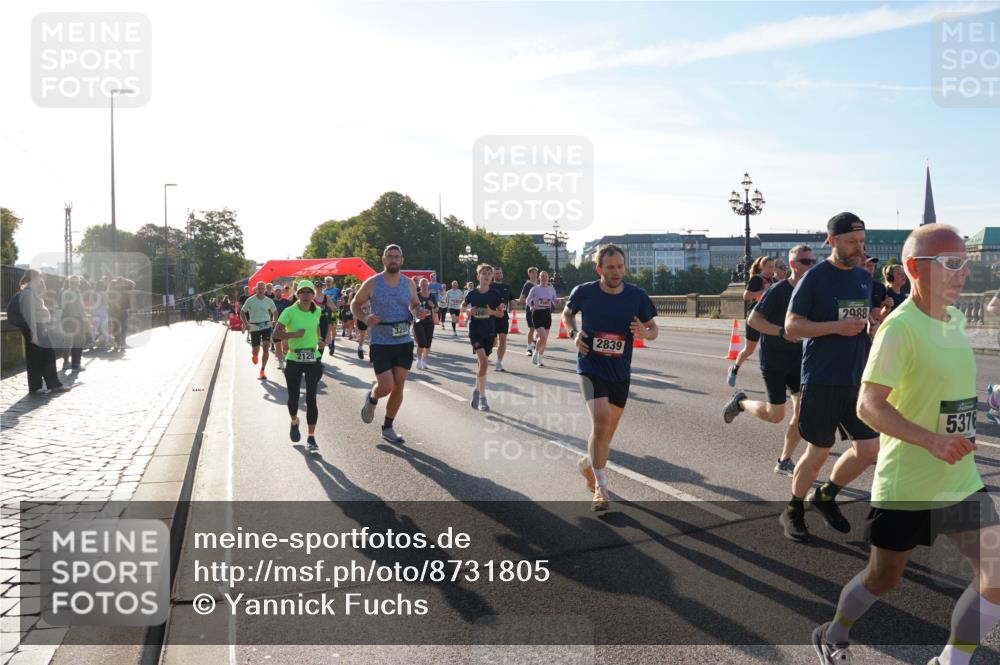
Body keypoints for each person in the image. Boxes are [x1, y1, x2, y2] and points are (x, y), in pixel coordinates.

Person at [811, 224, 1000, 665]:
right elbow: (868, 405)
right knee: (882, 579)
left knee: (996, 573)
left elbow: (945, 390)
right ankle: (833, 633)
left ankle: (951, 659)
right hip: (908, 484)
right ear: (915, 269)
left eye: (965, 263)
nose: (963, 274)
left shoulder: (952, 318)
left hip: (959, 479)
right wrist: (931, 439)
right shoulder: (900, 329)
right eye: (952, 264)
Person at [779, 212, 880, 543]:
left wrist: (873, 325)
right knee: (818, 452)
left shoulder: (862, 279)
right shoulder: (815, 278)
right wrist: (835, 327)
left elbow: (860, 322)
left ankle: (825, 495)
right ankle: (793, 509)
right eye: (852, 242)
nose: (859, 248)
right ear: (831, 241)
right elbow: (792, 327)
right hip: (821, 378)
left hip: (856, 379)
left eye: (862, 242)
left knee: (869, 450)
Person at [562, 245, 657, 511]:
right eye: (610, 267)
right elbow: (567, 314)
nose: (616, 272)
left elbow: (653, 329)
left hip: (620, 370)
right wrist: (573, 334)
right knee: (601, 423)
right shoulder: (584, 292)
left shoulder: (636, 296)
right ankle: (601, 490)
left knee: (607, 431)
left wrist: (644, 332)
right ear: (599, 269)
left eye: (620, 266)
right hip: (590, 365)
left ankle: (587, 463)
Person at [723, 245, 815, 475]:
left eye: (813, 261)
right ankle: (740, 402)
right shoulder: (777, 290)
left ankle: (784, 460)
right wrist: (782, 332)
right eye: (806, 262)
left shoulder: (814, 291)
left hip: (800, 359)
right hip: (774, 359)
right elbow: (753, 320)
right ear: (794, 265)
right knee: (776, 416)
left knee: (802, 411)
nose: (811, 266)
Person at [352, 244, 430, 444]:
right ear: (383, 260)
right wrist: (365, 317)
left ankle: (388, 427)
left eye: (397, 256)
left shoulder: (408, 284)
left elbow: (414, 304)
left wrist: (418, 311)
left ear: (402, 260)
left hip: (404, 339)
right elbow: (355, 303)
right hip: (380, 340)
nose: (394, 259)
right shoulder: (373, 283)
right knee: (386, 386)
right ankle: (372, 397)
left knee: (399, 384)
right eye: (390, 256)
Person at [273, 281, 324, 453]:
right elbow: (276, 334)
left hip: (312, 359)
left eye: (309, 292)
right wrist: (294, 335)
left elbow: (316, 328)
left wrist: (320, 341)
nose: (306, 295)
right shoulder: (289, 312)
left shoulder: (317, 310)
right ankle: (294, 421)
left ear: (312, 295)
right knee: (293, 398)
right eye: (302, 292)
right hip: (294, 358)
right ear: (297, 294)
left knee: (311, 398)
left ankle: (311, 437)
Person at [9, 270, 67, 395]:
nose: (41, 279)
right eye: (39, 277)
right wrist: (34, 333)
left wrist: (43, 285)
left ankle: (42, 386)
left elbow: (42, 294)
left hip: (39, 328)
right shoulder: (28, 294)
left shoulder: (32, 292)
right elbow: (30, 316)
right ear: (34, 277)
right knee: (42, 356)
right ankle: (44, 386)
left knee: (42, 356)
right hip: (35, 328)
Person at [727, 256, 775, 387]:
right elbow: (746, 296)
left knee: (771, 348)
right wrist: (763, 290)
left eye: (773, 267)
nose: (772, 269)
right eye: (769, 267)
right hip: (754, 317)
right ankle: (734, 369)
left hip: (768, 317)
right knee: (749, 350)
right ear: (762, 267)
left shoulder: (773, 280)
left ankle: (772, 378)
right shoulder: (756, 279)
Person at [464, 264, 505, 411]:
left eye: (489, 273)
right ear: (478, 277)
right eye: (484, 273)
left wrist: (491, 312)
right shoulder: (472, 294)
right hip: (475, 331)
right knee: (484, 363)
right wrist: (469, 311)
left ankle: (476, 389)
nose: (487, 275)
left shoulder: (495, 295)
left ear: (492, 277)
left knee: (482, 364)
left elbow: (501, 314)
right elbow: (463, 308)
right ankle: (483, 398)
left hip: (489, 332)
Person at [240, 281, 277, 380]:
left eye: (262, 288)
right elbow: (242, 312)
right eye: (259, 288)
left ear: (265, 290)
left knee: (266, 347)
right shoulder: (250, 300)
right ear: (256, 289)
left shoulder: (269, 300)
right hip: (254, 327)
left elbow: (275, 311)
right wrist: (246, 324)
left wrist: (274, 321)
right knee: (256, 350)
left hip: (266, 326)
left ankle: (262, 370)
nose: (261, 290)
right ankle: (255, 355)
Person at [526, 271, 559, 366]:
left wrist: (556, 301)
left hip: (547, 314)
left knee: (544, 339)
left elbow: (554, 300)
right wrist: (531, 306)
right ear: (539, 278)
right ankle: (536, 354)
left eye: (546, 276)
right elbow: (528, 300)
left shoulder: (551, 289)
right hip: (537, 313)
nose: (544, 278)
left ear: (548, 278)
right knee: (543, 337)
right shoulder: (534, 289)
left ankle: (539, 358)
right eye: (542, 276)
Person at [59, 276, 89, 371]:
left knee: (69, 342)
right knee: (78, 342)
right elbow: (80, 309)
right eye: (75, 283)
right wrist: (85, 320)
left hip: (68, 319)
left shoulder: (65, 292)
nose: (76, 285)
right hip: (76, 319)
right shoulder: (75, 293)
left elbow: (63, 307)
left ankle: (69, 363)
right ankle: (76, 365)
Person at [490, 267, 514, 372]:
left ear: (502, 274)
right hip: (492, 317)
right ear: (493, 275)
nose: (499, 275)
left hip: (503, 317)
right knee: (494, 342)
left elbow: (512, 299)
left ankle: (499, 362)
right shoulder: (489, 286)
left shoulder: (507, 286)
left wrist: (514, 303)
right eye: (496, 273)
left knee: (503, 340)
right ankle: (484, 353)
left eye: (500, 273)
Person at [413, 278, 439, 370]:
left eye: (426, 285)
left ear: (428, 286)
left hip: (429, 322)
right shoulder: (416, 296)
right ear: (419, 286)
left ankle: (424, 361)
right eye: (422, 285)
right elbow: (411, 308)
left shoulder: (432, 296)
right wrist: (417, 311)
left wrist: (433, 306)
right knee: (422, 342)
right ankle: (419, 360)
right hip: (419, 322)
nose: (424, 286)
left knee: (428, 344)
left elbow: (436, 310)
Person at [108, 276, 135, 351]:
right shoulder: (112, 289)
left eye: (122, 282)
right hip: (116, 311)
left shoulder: (125, 288)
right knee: (116, 327)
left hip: (124, 310)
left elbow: (133, 284)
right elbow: (111, 298)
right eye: (120, 282)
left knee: (124, 327)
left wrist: (125, 279)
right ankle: (117, 343)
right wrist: (117, 305)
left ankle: (123, 343)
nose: (121, 283)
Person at [518, 267, 540, 356]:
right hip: (530, 310)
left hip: (539, 310)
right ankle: (529, 348)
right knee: (531, 329)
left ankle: (535, 341)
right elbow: (521, 299)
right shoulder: (528, 285)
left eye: (536, 273)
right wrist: (529, 300)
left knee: (539, 329)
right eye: (533, 273)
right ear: (529, 274)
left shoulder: (539, 284)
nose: (535, 274)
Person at [271, 287, 293, 370]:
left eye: (279, 291)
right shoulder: (271, 302)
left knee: (286, 345)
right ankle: (280, 362)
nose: (278, 293)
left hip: (285, 326)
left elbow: (292, 313)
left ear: (282, 292)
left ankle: (284, 356)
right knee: (278, 345)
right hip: (275, 326)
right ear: (274, 292)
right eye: (276, 291)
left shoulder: (287, 302)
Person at [352, 289, 371, 360]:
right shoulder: (360, 299)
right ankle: (360, 348)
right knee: (363, 336)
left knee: (371, 336)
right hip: (362, 319)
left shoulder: (372, 297)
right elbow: (355, 309)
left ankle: (372, 352)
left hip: (371, 319)